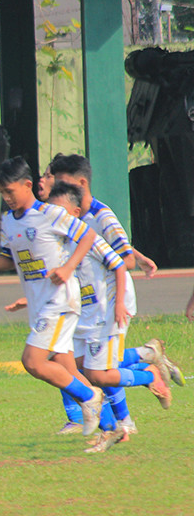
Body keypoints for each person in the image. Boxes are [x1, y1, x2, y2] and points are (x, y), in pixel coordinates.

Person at [0, 157, 105, 441]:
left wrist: (68, 268)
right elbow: (10, 259)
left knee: (32, 361)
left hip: (60, 301)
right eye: (2, 193)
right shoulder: (8, 221)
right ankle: (112, 428)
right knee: (67, 370)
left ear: (27, 185)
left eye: (10, 191)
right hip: (39, 304)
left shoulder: (50, 213)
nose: (7, 198)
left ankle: (90, 397)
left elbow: (88, 235)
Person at [48, 154, 183, 434]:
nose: (57, 190)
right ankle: (145, 357)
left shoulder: (101, 216)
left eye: (63, 184)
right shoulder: (69, 217)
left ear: (81, 183)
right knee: (80, 364)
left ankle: (127, 414)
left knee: (98, 369)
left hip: (110, 302)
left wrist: (129, 263)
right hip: (87, 302)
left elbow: (123, 259)